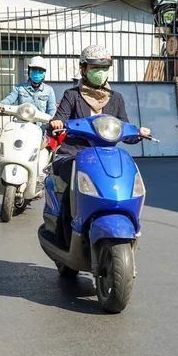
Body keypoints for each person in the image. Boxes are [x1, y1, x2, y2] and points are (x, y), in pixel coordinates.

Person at [48, 45, 150, 249]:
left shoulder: (116, 98)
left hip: (106, 158)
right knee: (74, 185)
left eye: (104, 68)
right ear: (84, 69)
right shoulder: (72, 95)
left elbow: (123, 128)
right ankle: (65, 241)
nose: (100, 72)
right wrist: (56, 124)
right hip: (73, 155)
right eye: (95, 67)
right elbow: (58, 121)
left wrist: (137, 133)